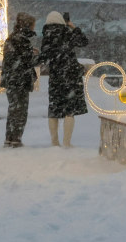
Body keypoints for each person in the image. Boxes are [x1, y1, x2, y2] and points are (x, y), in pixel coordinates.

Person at [38, 11, 89, 147]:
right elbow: (84, 41)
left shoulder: (46, 36)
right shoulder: (66, 33)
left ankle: (54, 142)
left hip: (55, 76)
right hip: (70, 75)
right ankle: (67, 142)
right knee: (69, 110)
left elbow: (44, 57)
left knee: (54, 109)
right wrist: (72, 26)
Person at [0, 12, 38, 147]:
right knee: (20, 111)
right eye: (33, 25)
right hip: (20, 81)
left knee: (13, 109)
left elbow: (13, 58)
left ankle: (9, 138)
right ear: (28, 26)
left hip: (11, 80)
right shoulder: (22, 41)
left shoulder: (12, 38)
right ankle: (16, 139)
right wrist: (38, 56)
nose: (34, 28)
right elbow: (27, 62)